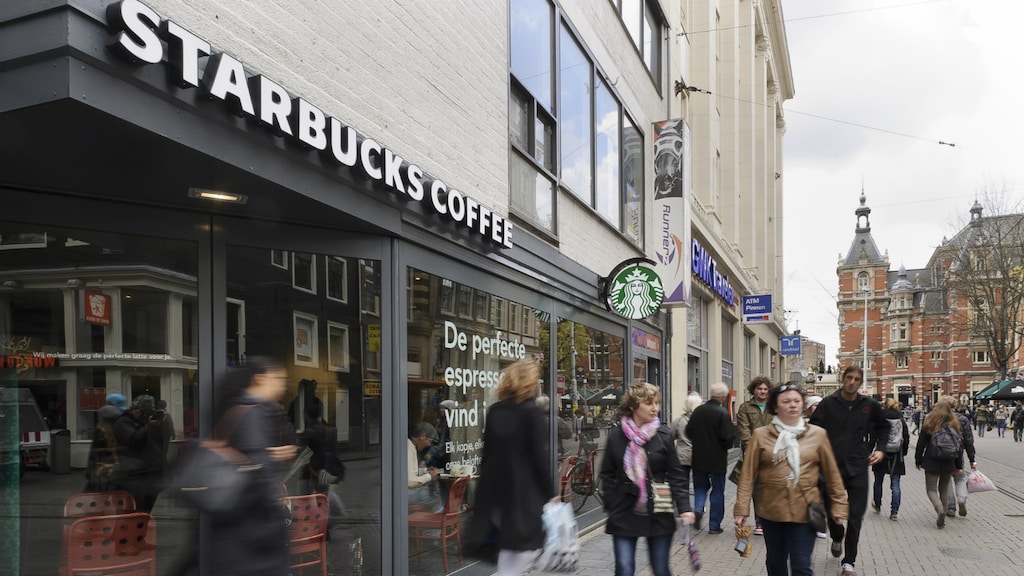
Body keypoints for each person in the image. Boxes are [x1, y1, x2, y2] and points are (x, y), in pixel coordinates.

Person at [734, 382, 849, 576]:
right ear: (775, 406)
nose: (792, 405)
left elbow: (832, 474)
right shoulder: (760, 436)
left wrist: (838, 506)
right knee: (775, 563)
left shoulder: (818, 435)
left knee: (801, 565)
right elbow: (747, 475)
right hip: (771, 510)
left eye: (797, 401)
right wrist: (742, 508)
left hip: (805, 510)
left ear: (803, 405)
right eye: (786, 401)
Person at [208, 357, 299, 576]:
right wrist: (279, 519)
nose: (283, 385)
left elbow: (245, 459)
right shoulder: (253, 413)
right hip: (253, 535)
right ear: (259, 379)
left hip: (236, 531)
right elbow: (260, 479)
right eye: (278, 378)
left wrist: (268, 455)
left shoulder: (236, 408)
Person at [467, 360, 553, 575]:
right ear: (530, 382)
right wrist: (550, 493)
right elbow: (538, 458)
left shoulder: (495, 410)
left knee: (509, 548)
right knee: (527, 549)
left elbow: (486, 453)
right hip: (520, 494)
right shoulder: (531, 411)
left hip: (494, 492)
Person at [602, 381, 695, 576]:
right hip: (624, 511)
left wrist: (685, 508)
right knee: (624, 569)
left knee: (660, 569)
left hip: (658, 511)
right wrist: (611, 503)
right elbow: (608, 474)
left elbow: (676, 474)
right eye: (649, 403)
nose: (655, 408)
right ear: (633, 406)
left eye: (657, 403)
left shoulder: (663, 435)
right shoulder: (616, 436)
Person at [808, 366, 888, 576]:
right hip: (831, 466)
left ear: (860, 383)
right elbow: (814, 430)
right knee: (831, 512)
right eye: (849, 378)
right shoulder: (829, 404)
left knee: (855, 516)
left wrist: (880, 449)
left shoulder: (869, 406)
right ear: (842, 379)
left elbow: (884, 428)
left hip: (858, 466)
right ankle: (836, 535)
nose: (852, 382)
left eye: (857, 379)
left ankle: (849, 562)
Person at [685, 382, 737, 534]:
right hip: (717, 458)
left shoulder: (698, 411)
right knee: (718, 491)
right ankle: (714, 525)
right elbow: (728, 437)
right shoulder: (722, 413)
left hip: (699, 457)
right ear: (723, 397)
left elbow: (689, 432)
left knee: (700, 487)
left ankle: (699, 508)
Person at [111, 394, 172, 512]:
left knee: (146, 511)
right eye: (145, 412)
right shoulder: (123, 423)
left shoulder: (146, 423)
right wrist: (148, 427)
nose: (146, 415)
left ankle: (141, 528)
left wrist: (160, 426)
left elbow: (163, 442)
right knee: (135, 510)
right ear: (135, 410)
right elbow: (133, 440)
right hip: (135, 475)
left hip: (152, 473)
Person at [914, 401, 963, 529]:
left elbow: (921, 443)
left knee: (931, 489)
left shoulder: (929, 422)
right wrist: (959, 465)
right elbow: (959, 447)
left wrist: (918, 460)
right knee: (944, 488)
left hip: (932, 460)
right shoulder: (954, 423)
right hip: (949, 461)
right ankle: (944, 513)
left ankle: (939, 509)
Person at [736, 376, 775, 536]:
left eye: (766, 389)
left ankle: (771, 519)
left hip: (773, 452)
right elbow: (744, 431)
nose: (763, 392)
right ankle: (760, 522)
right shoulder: (745, 407)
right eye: (760, 389)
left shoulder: (774, 407)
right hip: (753, 453)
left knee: (771, 487)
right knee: (757, 488)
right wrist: (750, 449)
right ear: (753, 390)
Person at [871, 398, 909, 521]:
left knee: (878, 481)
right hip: (897, 455)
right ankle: (894, 512)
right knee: (895, 485)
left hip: (881, 452)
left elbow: (873, 435)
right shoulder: (901, 420)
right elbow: (906, 437)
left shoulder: (880, 419)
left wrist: (870, 450)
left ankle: (877, 504)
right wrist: (904, 452)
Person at [940, 397, 976, 519]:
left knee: (947, 481)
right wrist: (972, 459)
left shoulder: (939, 419)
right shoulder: (963, 419)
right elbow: (969, 441)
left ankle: (950, 508)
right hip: (958, 454)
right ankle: (961, 499)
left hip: (943, 454)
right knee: (960, 479)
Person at [84, 394, 128, 491]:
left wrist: (90, 471)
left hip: (103, 471)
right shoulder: (125, 423)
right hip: (121, 471)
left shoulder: (101, 429)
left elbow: (94, 453)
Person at [669, 391, 704, 494]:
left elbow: (670, 436)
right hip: (698, 456)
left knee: (682, 483)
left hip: (682, 456)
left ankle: (683, 504)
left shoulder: (679, 420)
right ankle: (699, 505)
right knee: (700, 483)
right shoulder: (703, 420)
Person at [408, 422, 443, 513]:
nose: (429, 445)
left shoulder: (410, 446)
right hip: (404, 493)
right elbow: (410, 482)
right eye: (429, 441)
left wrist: (426, 471)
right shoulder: (408, 449)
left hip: (405, 491)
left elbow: (411, 472)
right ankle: (436, 521)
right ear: (422, 436)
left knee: (432, 492)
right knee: (436, 496)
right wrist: (429, 477)